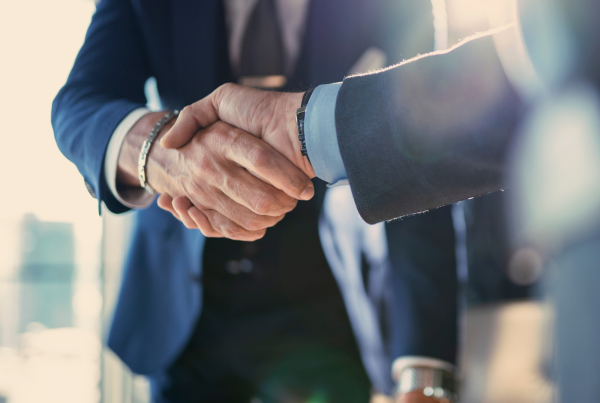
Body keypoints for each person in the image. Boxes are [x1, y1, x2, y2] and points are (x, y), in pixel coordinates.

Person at [52, 0, 459, 402]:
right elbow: (80, 103)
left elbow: (419, 152)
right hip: (185, 314)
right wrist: (158, 150)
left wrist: (422, 371)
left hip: (322, 304)